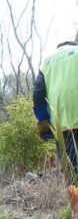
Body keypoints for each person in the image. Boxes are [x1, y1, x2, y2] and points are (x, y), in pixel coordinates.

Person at [34, 38, 78, 183]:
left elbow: (38, 95)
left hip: (62, 126)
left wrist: (44, 122)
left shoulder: (47, 62)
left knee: (72, 170)